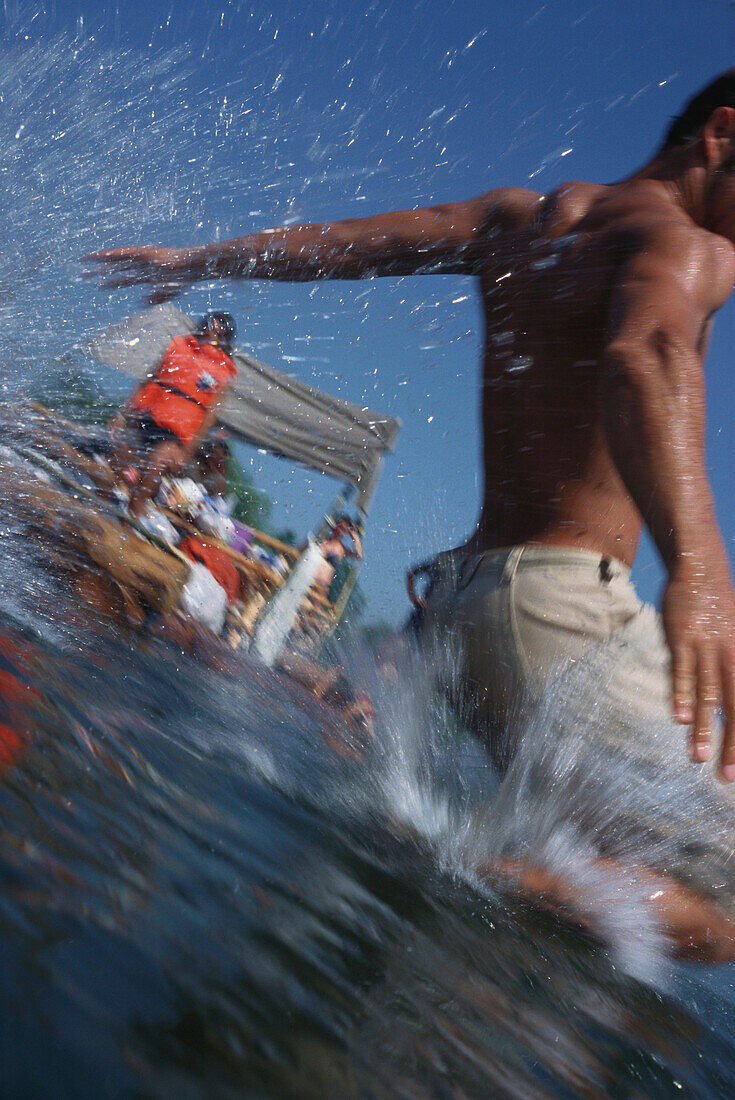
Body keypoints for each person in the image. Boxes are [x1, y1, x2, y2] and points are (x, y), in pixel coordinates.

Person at [87, 72, 735, 957]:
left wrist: (196, 262)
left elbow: (348, 245)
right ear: (720, 135)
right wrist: (698, 568)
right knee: (717, 902)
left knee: (588, 857)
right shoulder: (686, 243)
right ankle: (447, 865)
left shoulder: (521, 221)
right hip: (560, 610)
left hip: (465, 603)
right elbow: (646, 349)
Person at [108, 311, 238, 517]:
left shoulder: (225, 375)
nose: (212, 332)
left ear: (225, 339)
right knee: (119, 457)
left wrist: (186, 452)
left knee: (157, 463)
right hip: (150, 414)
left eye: (218, 331)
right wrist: (122, 415)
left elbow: (209, 418)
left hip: (176, 433)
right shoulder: (179, 346)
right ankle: (103, 499)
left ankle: (134, 513)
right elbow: (148, 380)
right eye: (210, 327)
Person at [315, 515, 363, 595]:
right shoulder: (323, 541)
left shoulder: (342, 550)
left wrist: (353, 534)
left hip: (322, 586)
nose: (339, 530)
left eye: (343, 529)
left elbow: (359, 555)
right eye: (338, 526)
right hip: (308, 580)